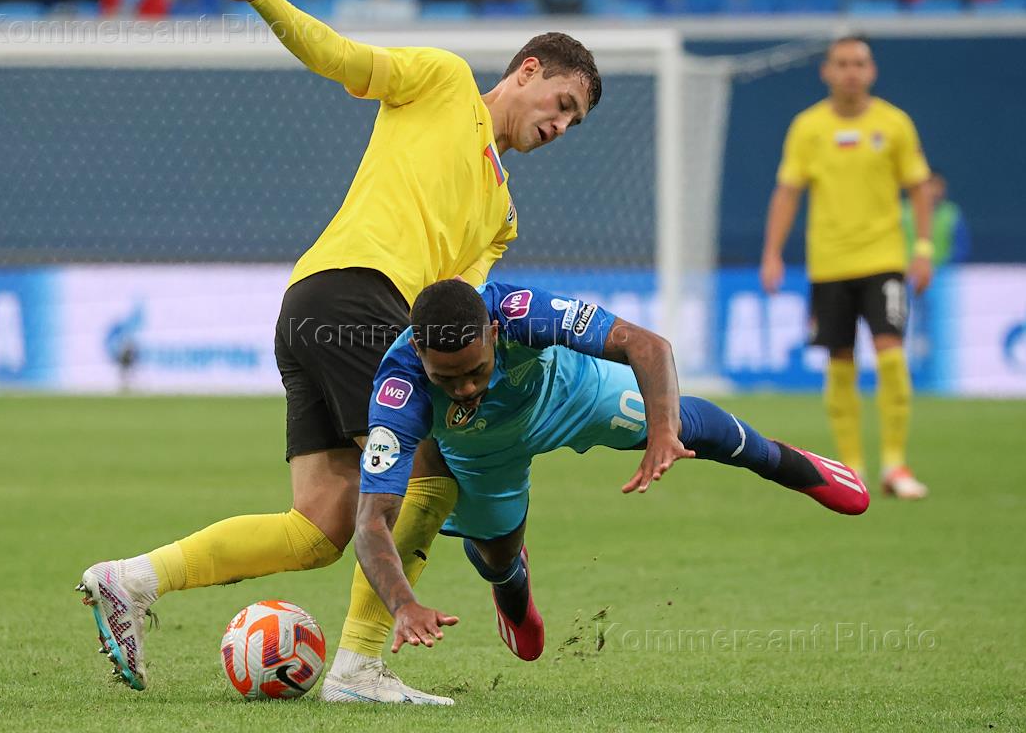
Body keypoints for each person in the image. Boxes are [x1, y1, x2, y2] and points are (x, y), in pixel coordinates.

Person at [76, 0, 601, 705]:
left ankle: (129, 580)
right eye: (563, 103)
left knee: (320, 525)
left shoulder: (502, 215)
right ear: (528, 71)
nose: (563, 125)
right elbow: (340, 58)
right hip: (356, 297)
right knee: (430, 473)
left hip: (318, 310)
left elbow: (459, 315)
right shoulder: (445, 80)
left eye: (575, 121)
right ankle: (358, 669)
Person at [354, 280, 869, 664]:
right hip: (483, 451)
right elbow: (371, 521)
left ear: (492, 333)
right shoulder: (398, 392)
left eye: (475, 371)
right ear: (418, 352)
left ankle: (791, 465)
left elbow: (647, 345)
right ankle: (512, 590)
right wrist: (403, 605)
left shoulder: (520, 311)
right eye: (447, 379)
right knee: (497, 555)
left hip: (570, 395)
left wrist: (663, 433)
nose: (465, 388)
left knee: (684, 425)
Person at [760, 35, 933, 500]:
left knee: (890, 352)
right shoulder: (808, 127)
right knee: (840, 361)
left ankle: (895, 463)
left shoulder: (894, 124)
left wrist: (923, 248)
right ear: (827, 72)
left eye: (859, 63)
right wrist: (772, 252)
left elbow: (918, 187)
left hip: (884, 259)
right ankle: (852, 466)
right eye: (842, 63)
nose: (851, 72)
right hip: (829, 264)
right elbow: (788, 192)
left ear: (871, 71)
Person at [901, 172, 969, 267]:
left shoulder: (951, 212)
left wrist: (942, 267)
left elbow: (961, 248)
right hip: (906, 270)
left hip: (945, 272)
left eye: (939, 186)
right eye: (931, 185)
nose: (935, 190)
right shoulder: (902, 211)